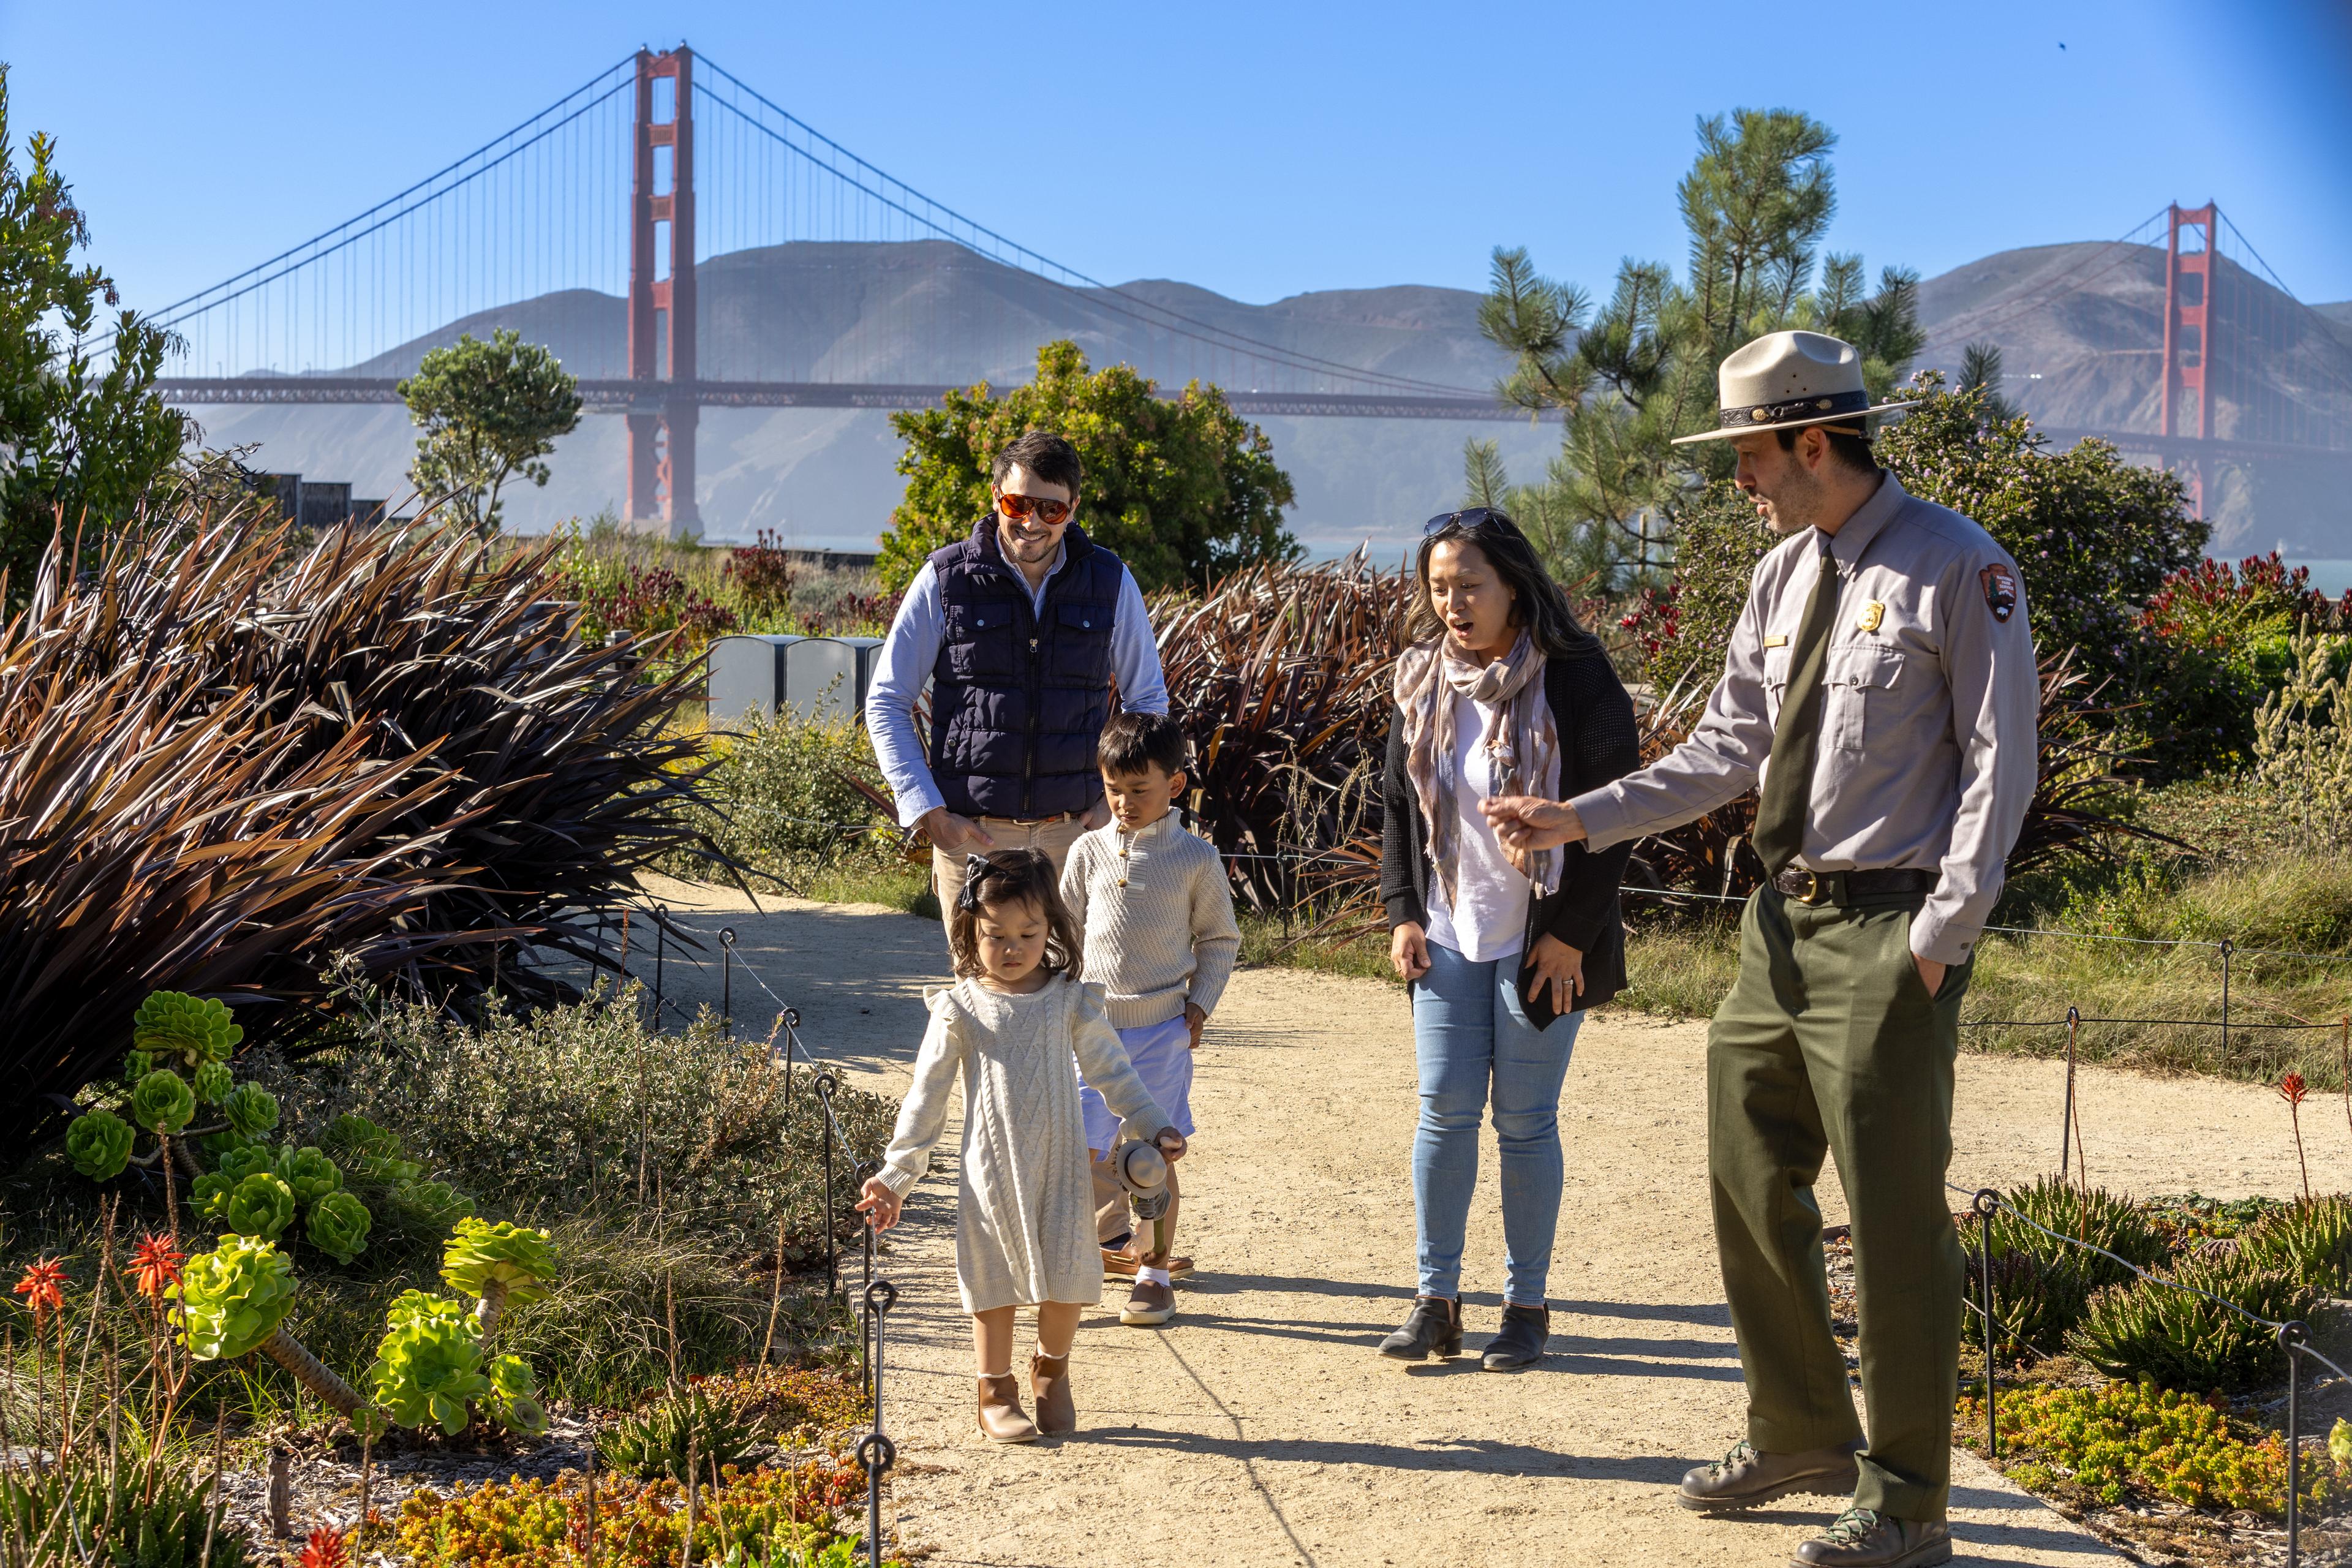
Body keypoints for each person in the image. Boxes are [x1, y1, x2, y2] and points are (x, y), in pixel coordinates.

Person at [1483, 331, 2038, 1567]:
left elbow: (2003, 762)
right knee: (1746, 1176)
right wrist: (1582, 815)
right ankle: (1799, 1430)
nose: (1740, 479)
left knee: (1894, 1224)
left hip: (1893, 928)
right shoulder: (1784, 575)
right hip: (1774, 926)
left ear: (1810, 440)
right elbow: (1726, 751)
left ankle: (1907, 1504)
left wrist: (1941, 936)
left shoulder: (1961, 566)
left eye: (1748, 454)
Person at [1375, 508, 1640, 1372]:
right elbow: (1396, 806)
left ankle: (1525, 1308)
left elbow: (1614, 817)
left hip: (1542, 939)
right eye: (1439, 587)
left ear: (1515, 585)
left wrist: (1570, 934)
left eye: (1470, 586)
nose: (1452, 603)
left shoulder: (1577, 676)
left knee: (1525, 1124)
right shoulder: (1422, 677)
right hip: (1449, 931)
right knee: (1443, 1111)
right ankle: (1435, 1300)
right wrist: (1403, 913)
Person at [858, 849, 1187, 1445]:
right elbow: (926, 1096)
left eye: (1028, 933)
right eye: (995, 935)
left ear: (1052, 929)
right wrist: (896, 1173)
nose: (1012, 947)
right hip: (992, 1172)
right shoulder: (960, 1006)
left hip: (1063, 1169)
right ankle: (995, 1389)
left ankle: (1051, 1370)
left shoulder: (1070, 999)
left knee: (1069, 1277)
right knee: (995, 1282)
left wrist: (1153, 1122)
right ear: (969, 931)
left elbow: (1115, 1074)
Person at [864, 429, 1170, 930]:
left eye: (1051, 510)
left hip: (1077, 838)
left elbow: (1147, 704)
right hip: (973, 839)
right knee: (980, 999)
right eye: (1017, 503)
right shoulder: (945, 579)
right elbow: (888, 701)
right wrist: (927, 811)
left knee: (1075, 997)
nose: (1031, 522)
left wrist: (1114, 805)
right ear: (995, 497)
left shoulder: (1111, 580)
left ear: (1073, 507)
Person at [1060, 710, 1241, 1327]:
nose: (1125, 801)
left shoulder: (1195, 858)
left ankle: (1154, 1275)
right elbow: (1063, 936)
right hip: (1088, 1032)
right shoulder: (1085, 851)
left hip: (1161, 1032)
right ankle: (1069, 1264)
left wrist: (1201, 1002)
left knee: (1149, 1160)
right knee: (1077, 1153)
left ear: (1176, 785)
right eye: (1114, 789)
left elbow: (1220, 940)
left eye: (1140, 789)